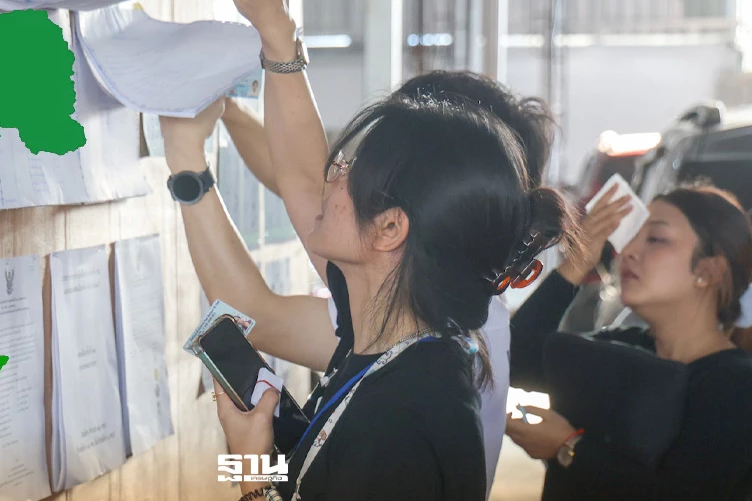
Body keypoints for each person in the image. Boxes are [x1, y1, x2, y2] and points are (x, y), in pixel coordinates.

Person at [220, 65, 561, 496]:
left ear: (390, 229)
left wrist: (250, 476)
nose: (331, 178)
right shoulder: (382, 349)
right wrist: (252, 453)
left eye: (352, 169)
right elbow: (315, 473)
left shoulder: (405, 416)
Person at [505, 185, 752, 500]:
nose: (629, 251)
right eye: (633, 236)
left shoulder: (738, 386)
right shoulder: (622, 347)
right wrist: (577, 263)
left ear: (709, 270)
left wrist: (569, 448)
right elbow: (518, 359)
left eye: (656, 239)